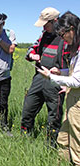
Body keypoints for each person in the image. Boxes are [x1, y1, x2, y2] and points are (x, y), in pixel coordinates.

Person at [20, 7, 70, 147]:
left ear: (55, 21)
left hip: (56, 81)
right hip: (39, 77)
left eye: (45, 24)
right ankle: (25, 140)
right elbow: (32, 47)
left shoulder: (65, 38)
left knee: (54, 116)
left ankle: (50, 146)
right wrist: (31, 55)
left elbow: (74, 63)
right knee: (27, 110)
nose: (43, 26)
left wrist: (65, 81)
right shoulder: (43, 35)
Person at [38, 11, 80, 166]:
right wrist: (60, 72)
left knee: (76, 143)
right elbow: (74, 73)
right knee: (63, 137)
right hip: (72, 99)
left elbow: (76, 81)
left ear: (72, 29)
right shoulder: (75, 47)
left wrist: (51, 77)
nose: (62, 39)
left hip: (77, 102)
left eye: (63, 35)